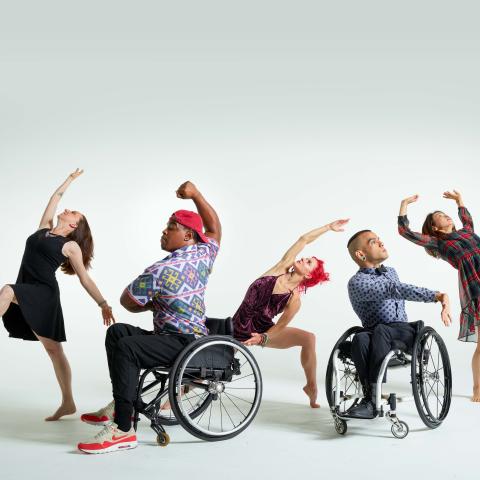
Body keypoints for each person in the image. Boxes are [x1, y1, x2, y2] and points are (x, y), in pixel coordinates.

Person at [78, 180, 221, 454]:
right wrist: (196, 195)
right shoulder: (205, 253)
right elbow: (214, 228)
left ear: (189, 235)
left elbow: (126, 301)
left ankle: (123, 429)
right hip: (190, 338)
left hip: (183, 343)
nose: (164, 232)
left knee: (126, 347)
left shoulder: (160, 270)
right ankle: (124, 404)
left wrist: (154, 304)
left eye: (171, 227)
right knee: (117, 332)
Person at [0, 169, 115, 421]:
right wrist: (70, 180)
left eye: (74, 212)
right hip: (28, 289)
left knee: (7, 291)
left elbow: (84, 278)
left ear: (75, 225)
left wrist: (103, 303)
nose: (68, 209)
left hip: (43, 294)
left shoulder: (71, 246)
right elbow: (55, 197)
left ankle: (67, 401)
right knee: (54, 350)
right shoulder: (44, 229)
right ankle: (68, 402)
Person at [233, 219, 349, 408]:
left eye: (308, 262)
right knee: (212, 362)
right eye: (305, 257)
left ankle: (311, 387)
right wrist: (328, 227)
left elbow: (280, 326)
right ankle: (176, 396)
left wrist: (261, 338)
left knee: (309, 338)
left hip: (262, 331)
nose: (303, 258)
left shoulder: (294, 300)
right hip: (237, 326)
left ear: (309, 275)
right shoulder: (280, 268)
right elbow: (303, 239)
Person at [345, 229, 450, 418]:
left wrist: (437, 296)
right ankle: (371, 398)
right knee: (359, 338)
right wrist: (435, 296)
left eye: (379, 238)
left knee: (381, 331)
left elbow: (396, 289)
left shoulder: (390, 272)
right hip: (374, 333)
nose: (380, 242)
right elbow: (393, 290)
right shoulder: (357, 282)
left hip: (402, 331)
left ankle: (373, 397)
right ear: (360, 254)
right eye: (373, 242)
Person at [398, 191, 480, 401]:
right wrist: (404, 204)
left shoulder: (468, 232)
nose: (447, 216)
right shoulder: (438, 243)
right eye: (441, 217)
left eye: (446, 214)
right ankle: (478, 389)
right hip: (476, 287)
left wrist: (459, 201)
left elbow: (467, 219)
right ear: (435, 227)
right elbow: (405, 232)